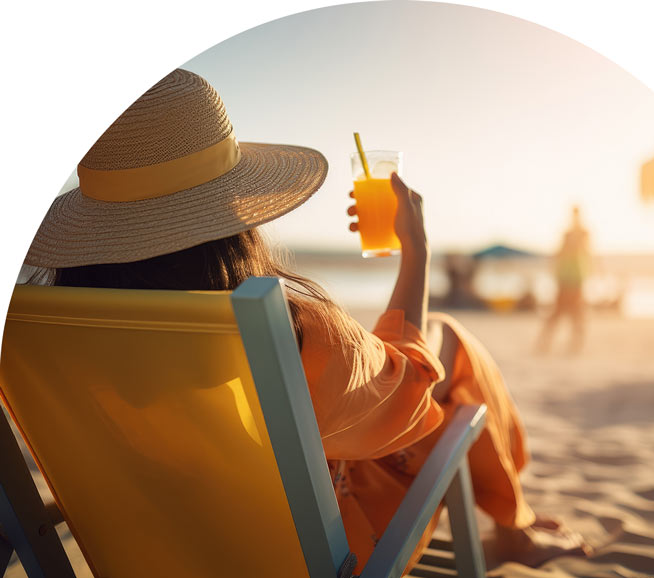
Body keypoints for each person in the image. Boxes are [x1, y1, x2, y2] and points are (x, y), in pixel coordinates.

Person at [24, 69, 589, 573]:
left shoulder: (42, 338)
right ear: (233, 210)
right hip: (311, 550)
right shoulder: (290, 330)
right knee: (449, 350)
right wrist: (416, 252)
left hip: (154, 549)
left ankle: (517, 525)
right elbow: (408, 393)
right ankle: (515, 527)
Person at [537, 205, 591, 354]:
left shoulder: (581, 233)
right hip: (566, 278)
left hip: (576, 277)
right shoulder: (569, 234)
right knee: (561, 312)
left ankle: (573, 346)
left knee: (575, 313)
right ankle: (545, 343)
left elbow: (588, 253)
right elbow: (560, 253)